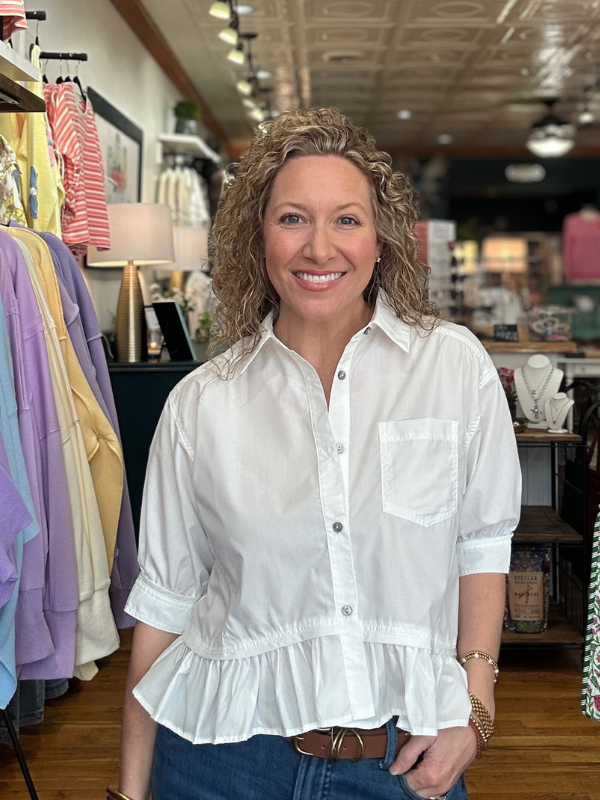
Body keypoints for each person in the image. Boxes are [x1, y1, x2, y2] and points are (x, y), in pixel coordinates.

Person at [114, 108, 521, 800]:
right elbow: (166, 608)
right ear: (259, 238)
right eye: (293, 218)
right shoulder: (202, 404)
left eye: (347, 220)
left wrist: (475, 707)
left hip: (402, 763)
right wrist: (129, 791)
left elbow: (480, 544)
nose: (319, 247)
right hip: (223, 763)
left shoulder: (452, 369)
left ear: (381, 239)